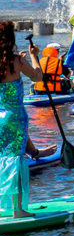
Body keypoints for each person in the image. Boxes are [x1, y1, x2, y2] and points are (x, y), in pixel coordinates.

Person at [1, 22, 45, 218]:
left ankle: (3, 208)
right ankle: (18, 210)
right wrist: (35, 56)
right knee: (16, 161)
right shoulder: (17, 61)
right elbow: (37, 77)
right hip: (16, 117)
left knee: (2, 159)